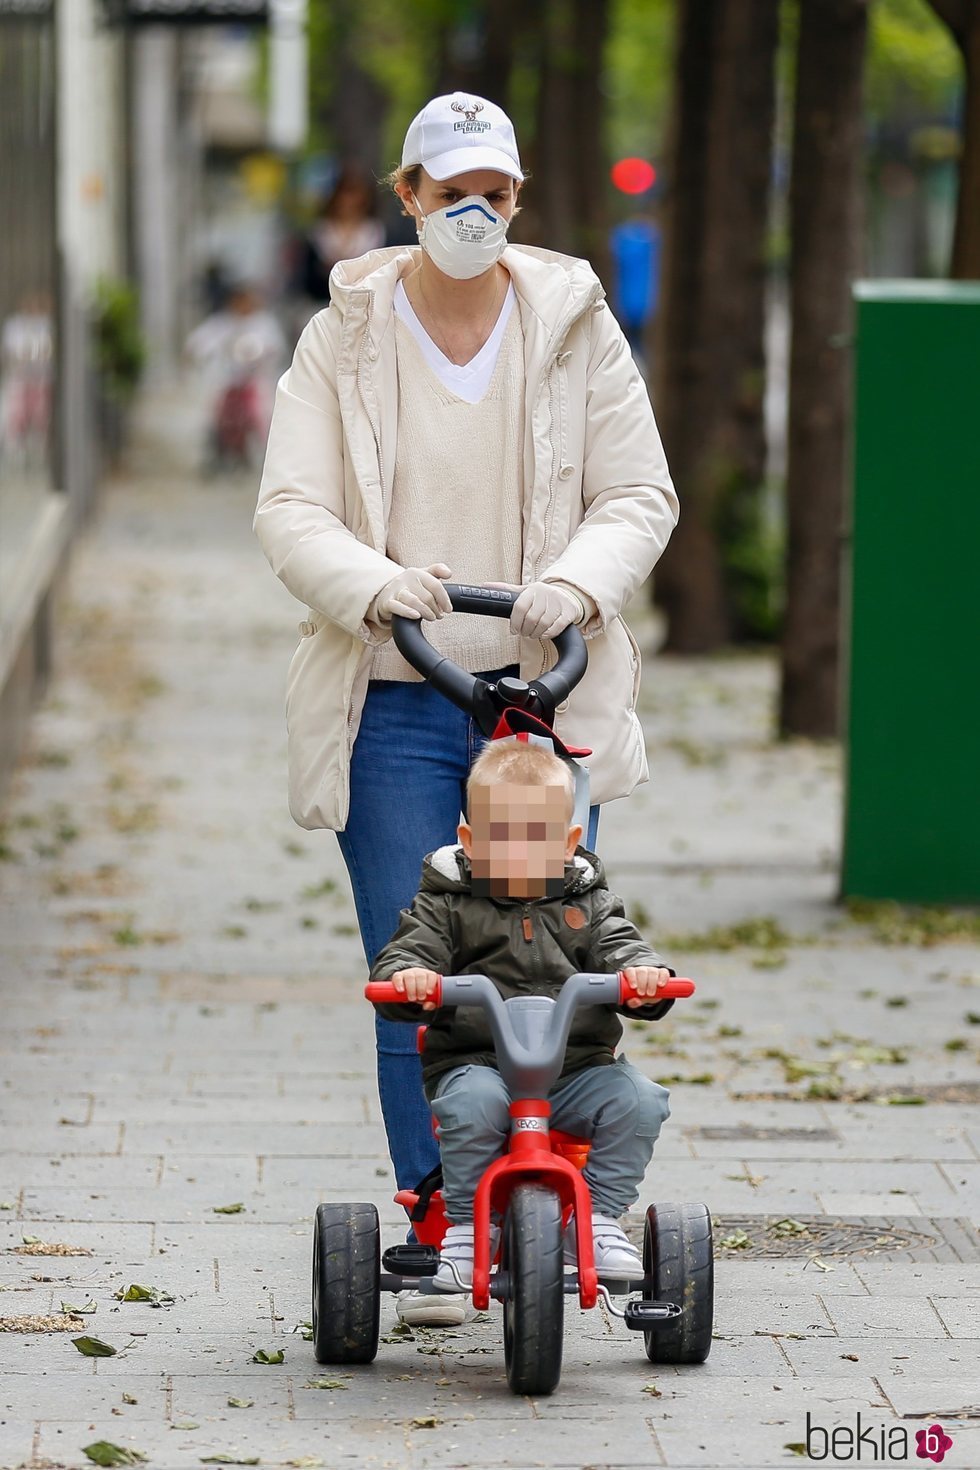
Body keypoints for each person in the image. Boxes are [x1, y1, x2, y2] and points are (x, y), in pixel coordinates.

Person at [253, 91, 679, 1324]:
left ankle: (565, 1200)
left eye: (494, 190)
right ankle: (439, 1216)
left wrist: (573, 588)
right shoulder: (345, 333)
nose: (475, 213)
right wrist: (376, 586)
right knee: (417, 972)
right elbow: (292, 508)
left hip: (541, 709)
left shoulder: (573, 323)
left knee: (557, 959)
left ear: (518, 196)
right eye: (451, 194)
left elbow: (635, 494)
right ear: (408, 199)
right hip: (392, 693)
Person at [370, 739, 674, 1292]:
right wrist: (410, 977)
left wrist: (643, 979)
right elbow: (409, 951)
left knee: (640, 1100)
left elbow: (624, 948)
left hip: (576, 1068)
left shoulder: (589, 904)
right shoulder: (447, 903)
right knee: (471, 1105)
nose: (519, 850)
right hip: (478, 1061)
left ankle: (597, 1217)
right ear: (469, 840)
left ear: (568, 843)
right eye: (502, 836)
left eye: (537, 837)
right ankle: (467, 1225)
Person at [186, 284, 286, 471]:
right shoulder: (220, 324)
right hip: (225, 382)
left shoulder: (264, 324)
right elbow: (197, 344)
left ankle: (266, 456)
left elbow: (274, 348)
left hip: (255, 382)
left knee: (260, 413)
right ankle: (217, 451)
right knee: (216, 414)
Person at [300, 165, 385, 305]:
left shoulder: (373, 231)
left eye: (355, 195)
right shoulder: (321, 231)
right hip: (322, 301)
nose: (349, 201)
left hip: (362, 303)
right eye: (346, 194)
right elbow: (309, 276)